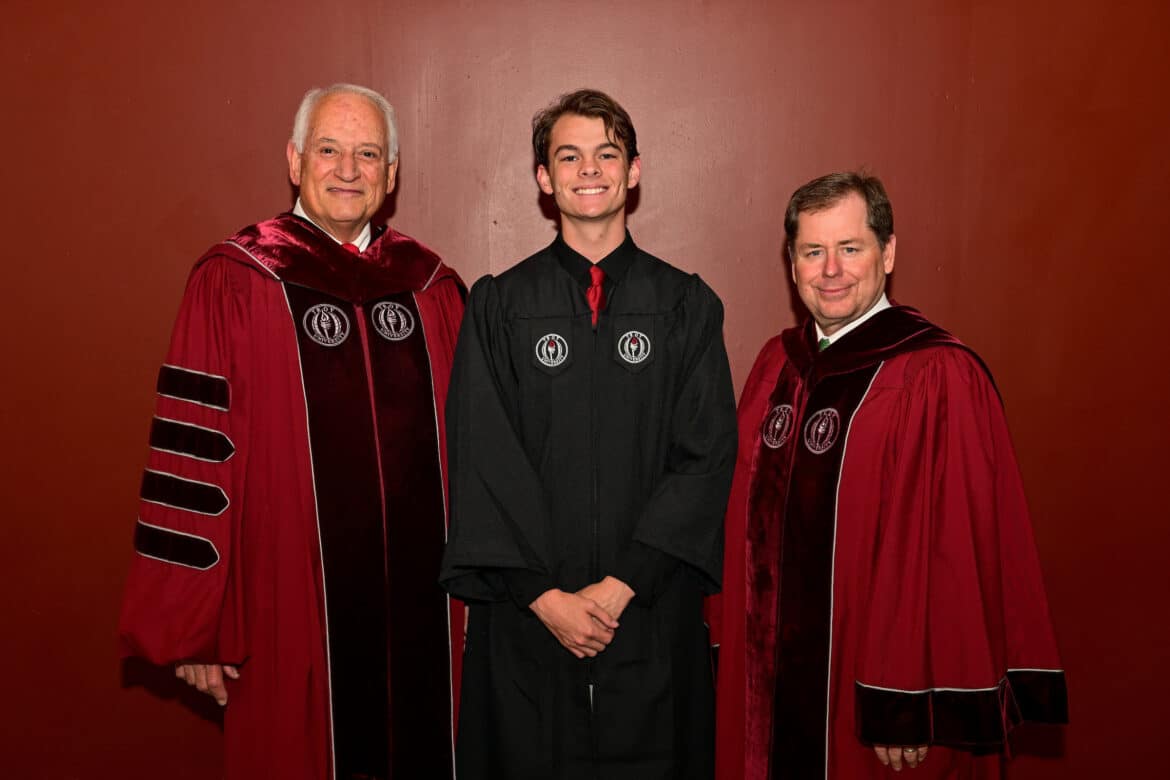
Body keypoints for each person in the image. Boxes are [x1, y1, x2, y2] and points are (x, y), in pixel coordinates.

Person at [118, 83, 466, 780]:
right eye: (329, 150)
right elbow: (195, 459)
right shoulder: (237, 279)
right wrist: (200, 624)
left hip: (427, 615)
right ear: (294, 160)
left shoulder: (432, 288)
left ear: (392, 172)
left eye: (368, 154)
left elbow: (476, 459)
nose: (348, 170)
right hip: (287, 610)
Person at [713, 172, 1068, 779]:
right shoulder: (778, 364)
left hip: (875, 700)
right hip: (769, 694)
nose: (831, 270)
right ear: (791, 263)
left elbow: (952, 556)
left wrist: (907, 700)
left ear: (889, 252)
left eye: (850, 248)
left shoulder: (936, 375)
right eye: (812, 251)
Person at [439, 89, 737, 779]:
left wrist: (624, 583)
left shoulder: (686, 305)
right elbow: (482, 457)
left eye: (607, 154)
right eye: (569, 157)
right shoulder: (500, 305)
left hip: (649, 607)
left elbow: (705, 455)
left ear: (634, 170)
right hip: (530, 619)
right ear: (544, 178)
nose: (590, 170)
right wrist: (543, 597)